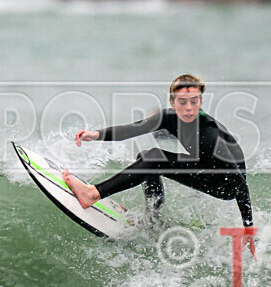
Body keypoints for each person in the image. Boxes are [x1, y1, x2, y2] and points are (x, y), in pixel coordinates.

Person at [63, 74, 254, 233]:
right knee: (147, 156)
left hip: (225, 183)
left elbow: (240, 184)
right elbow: (130, 130)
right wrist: (94, 135)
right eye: (182, 102)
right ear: (172, 103)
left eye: (194, 102)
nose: (188, 107)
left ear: (200, 102)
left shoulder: (209, 134)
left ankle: (93, 194)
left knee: (154, 159)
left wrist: (248, 228)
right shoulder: (168, 117)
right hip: (203, 166)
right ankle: (154, 219)